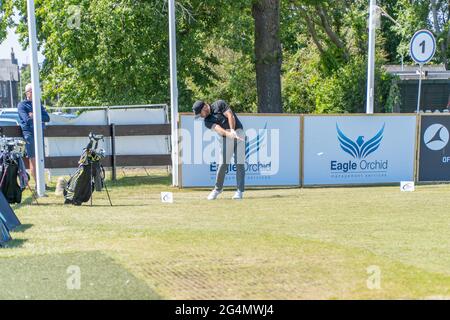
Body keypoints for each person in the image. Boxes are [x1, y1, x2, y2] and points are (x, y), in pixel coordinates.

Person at [192, 100, 246, 200]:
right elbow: (218, 129)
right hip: (226, 137)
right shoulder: (207, 121)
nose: (201, 116)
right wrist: (229, 134)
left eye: (200, 114)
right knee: (222, 164)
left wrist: (232, 131)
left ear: (204, 107)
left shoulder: (219, 104)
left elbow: (230, 115)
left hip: (239, 132)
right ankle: (218, 189)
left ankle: (239, 191)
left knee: (240, 163)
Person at [17, 83, 50, 185]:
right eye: (33, 91)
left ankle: (41, 183)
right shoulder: (22, 105)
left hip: (39, 133)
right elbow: (26, 120)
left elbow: (47, 118)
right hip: (29, 135)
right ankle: (38, 184)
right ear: (28, 93)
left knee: (40, 158)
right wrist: (37, 117)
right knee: (33, 159)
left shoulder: (38, 104)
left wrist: (34, 115)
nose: (36, 94)